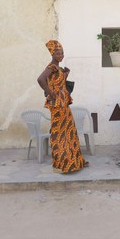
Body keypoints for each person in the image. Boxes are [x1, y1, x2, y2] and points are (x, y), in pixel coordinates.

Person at [37, 39, 88, 173]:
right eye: (58, 53)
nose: (61, 55)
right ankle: (61, 164)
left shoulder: (57, 68)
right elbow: (40, 79)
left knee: (69, 132)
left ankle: (74, 162)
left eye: (62, 53)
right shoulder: (52, 67)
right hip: (57, 104)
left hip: (64, 103)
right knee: (59, 133)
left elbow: (57, 83)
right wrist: (50, 93)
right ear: (53, 54)